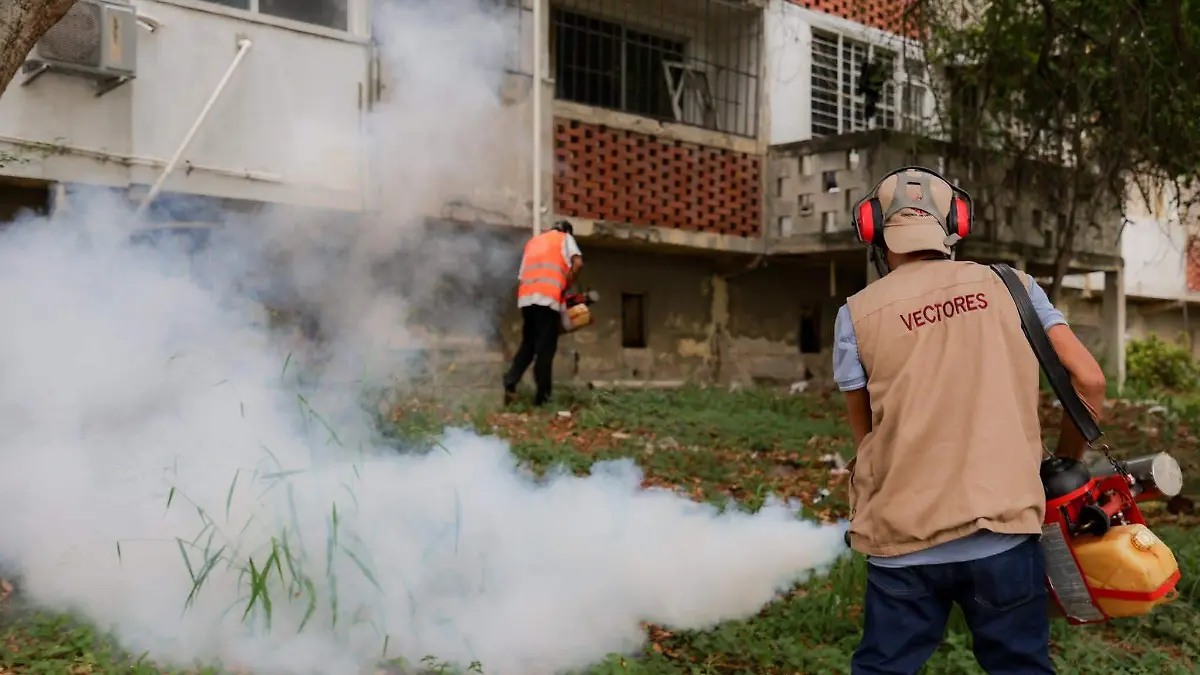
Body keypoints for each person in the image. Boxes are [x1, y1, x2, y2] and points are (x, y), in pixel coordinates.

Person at [834, 167, 1107, 675]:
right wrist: (1064, 468)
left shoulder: (855, 315)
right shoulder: (1014, 286)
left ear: (872, 229)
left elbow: (867, 437)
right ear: (955, 223)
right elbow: (1089, 381)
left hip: (903, 541)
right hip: (1003, 533)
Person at [503, 220, 583, 406]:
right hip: (547, 299)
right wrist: (567, 283)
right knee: (545, 349)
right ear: (567, 231)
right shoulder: (565, 238)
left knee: (528, 345)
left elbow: (523, 275)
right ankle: (542, 397)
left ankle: (510, 380)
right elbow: (578, 264)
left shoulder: (533, 242)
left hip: (527, 299)